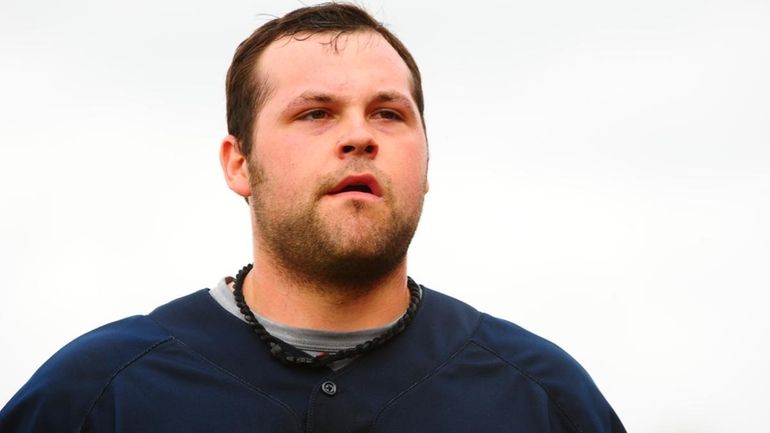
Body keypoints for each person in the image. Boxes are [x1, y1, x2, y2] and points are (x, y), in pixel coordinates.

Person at [0, 3, 625, 432]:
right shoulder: (97, 395)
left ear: (427, 163)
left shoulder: (543, 399)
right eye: (315, 113)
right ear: (239, 164)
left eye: (388, 113)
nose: (359, 136)